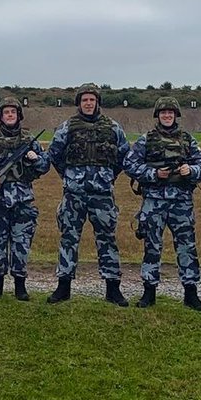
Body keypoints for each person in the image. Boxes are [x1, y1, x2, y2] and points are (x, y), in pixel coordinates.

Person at [43, 83, 131, 306]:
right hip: (74, 194)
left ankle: (113, 288)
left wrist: (108, 176)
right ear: (79, 103)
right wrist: (69, 175)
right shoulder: (67, 127)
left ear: (97, 102)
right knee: (68, 238)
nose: (89, 103)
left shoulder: (113, 127)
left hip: (102, 195)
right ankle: (63, 287)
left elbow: (124, 157)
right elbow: (54, 154)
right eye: (84, 100)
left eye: (92, 99)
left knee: (107, 240)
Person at [124, 96, 201, 309]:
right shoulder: (146, 140)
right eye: (163, 113)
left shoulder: (188, 139)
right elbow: (129, 164)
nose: (167, 115)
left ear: (176, 115)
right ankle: (149, 292)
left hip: (181, 202)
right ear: (158, 116)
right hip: (154, 201)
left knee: (187, 247)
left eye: (171, 112)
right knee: (152, 246)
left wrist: (191, 171)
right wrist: (153, 174)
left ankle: (191, 293)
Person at [0, 95, 49, 301]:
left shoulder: (28, 139)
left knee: (21, 242)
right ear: (1, 116)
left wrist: (35, 158)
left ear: (19, 115)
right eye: (6, 112)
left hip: (23, 199)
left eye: (13, 112)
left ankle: (20, 285)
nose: (10, 115)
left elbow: (44, 167)